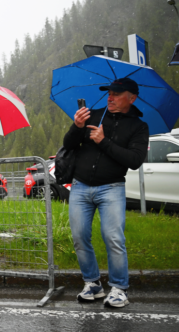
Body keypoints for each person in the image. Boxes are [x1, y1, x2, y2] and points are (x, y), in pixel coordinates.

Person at [63, 77, 148, 308]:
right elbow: (69, 144)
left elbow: (134, 161)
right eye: (109, 92)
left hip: (112, 188)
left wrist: (103, 141)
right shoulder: (94, 114)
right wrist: (77, 127)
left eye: (117, 94)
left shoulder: (139, 126)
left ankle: (119, 288)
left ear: (132, 98)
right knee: (80, 237)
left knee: (113, 239)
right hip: (80, 187)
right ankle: (93, 284)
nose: (110, 97)